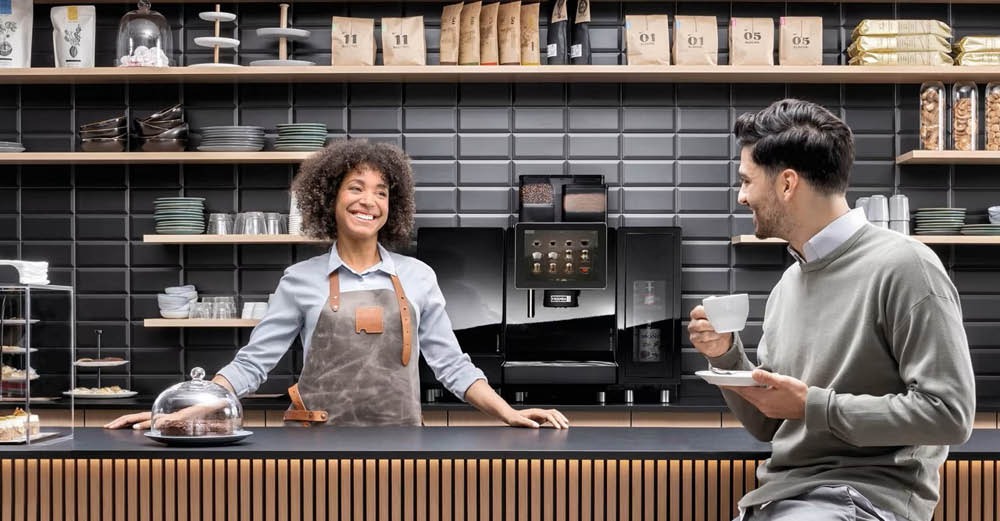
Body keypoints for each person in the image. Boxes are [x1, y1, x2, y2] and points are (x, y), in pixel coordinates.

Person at [107, 139, 569, 430]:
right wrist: (175, 412)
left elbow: (451, 365)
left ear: (394, 205)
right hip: (315, 445)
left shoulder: (417, 276)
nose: (369, 200)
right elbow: (252, 365)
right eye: (355, 187)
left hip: (402, 443)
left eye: (382, 192)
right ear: (330, 198)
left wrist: (507, 411)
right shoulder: (301, 279)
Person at [687, 99, 975, 521]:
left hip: (864, 501)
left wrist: (813, 406)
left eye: (747, 181)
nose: (741, 195)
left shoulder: (906, 266)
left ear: (787, 184)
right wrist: (726, 356)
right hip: (783, 499)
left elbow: (950, 415)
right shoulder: (789, 283)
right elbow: (770, 423)